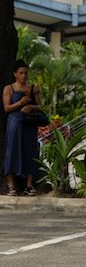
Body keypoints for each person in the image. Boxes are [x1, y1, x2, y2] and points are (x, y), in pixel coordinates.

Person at [3, 59, 42, 196]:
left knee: (30, 150)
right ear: (15, 74)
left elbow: (40, 107)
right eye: (21, 73)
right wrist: (20, 103)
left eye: (26, 73)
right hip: (15, 122)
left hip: (29, 123)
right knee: (12, 150)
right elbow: (7, 107)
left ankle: (29, 185)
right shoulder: (9, 88)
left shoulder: (33, 88)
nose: (24, 76)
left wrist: (30, 106)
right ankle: (11, 185)